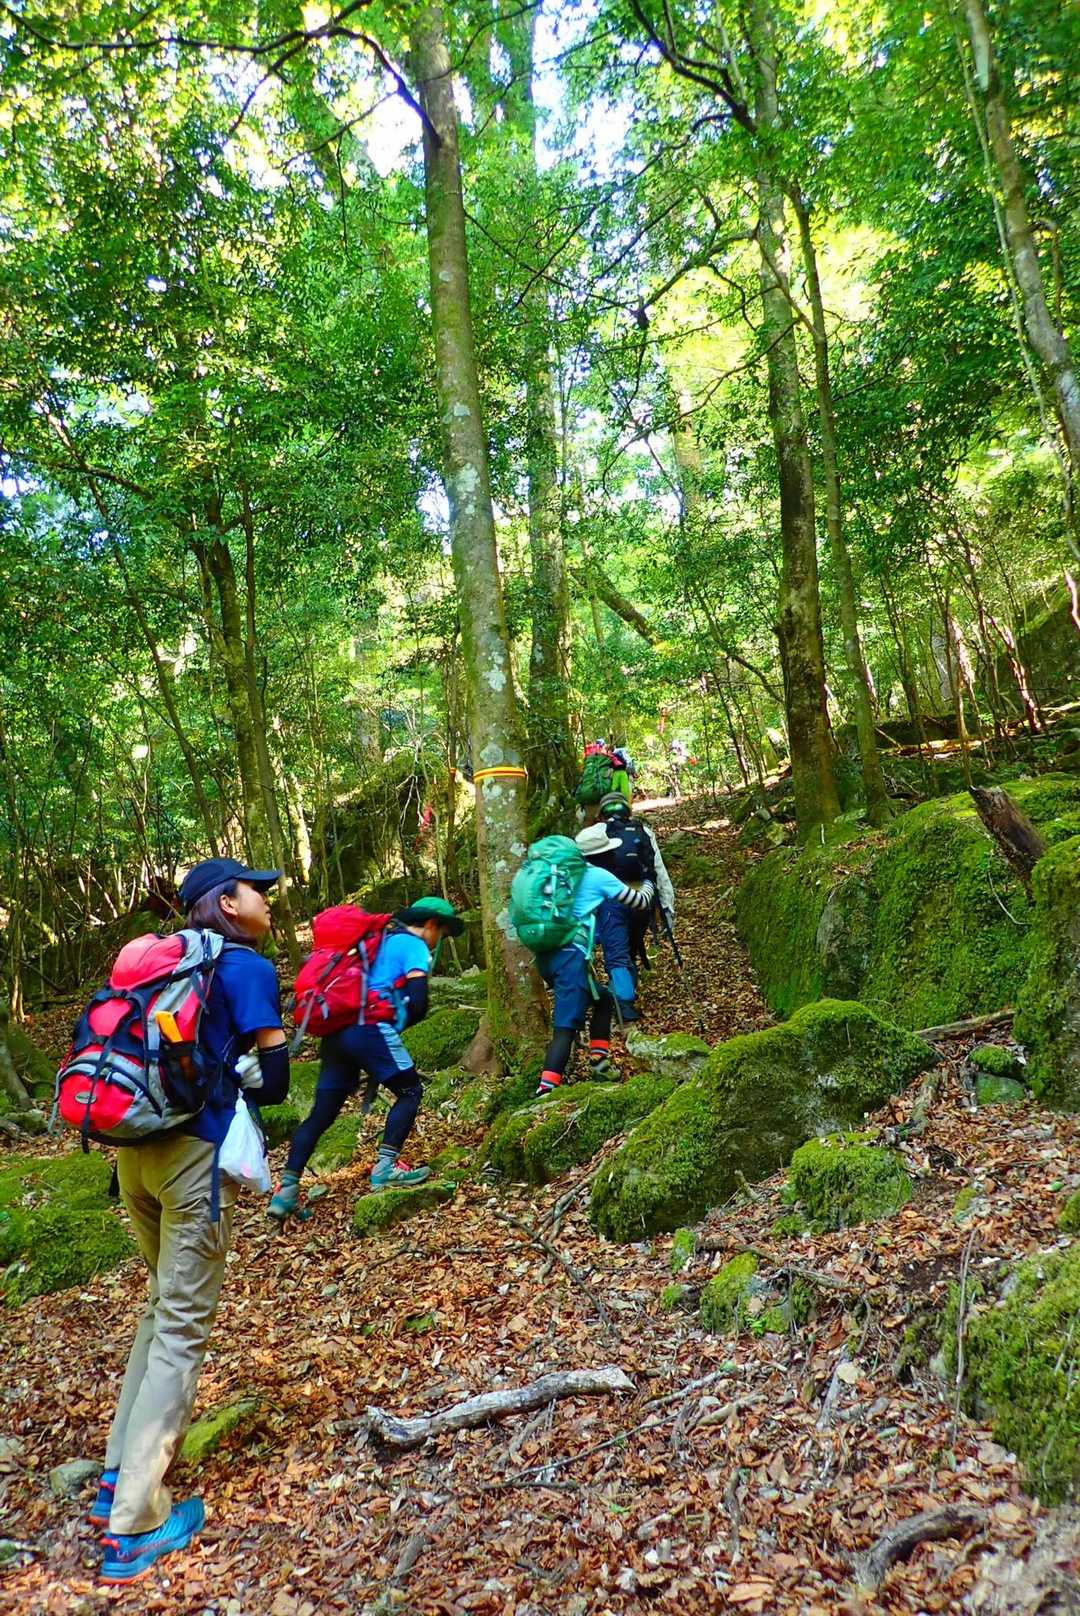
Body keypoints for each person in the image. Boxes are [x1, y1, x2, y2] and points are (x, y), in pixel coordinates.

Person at [94, 857, 289, 1585]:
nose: (267, 901)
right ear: (226, 904)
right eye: (256, 891)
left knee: (159, 1309)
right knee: (180, 1328)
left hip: (132, 1157)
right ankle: (135, 1526)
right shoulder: (245, 968)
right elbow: (277, 1083)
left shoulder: (160, 965)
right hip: (191, 1162)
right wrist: (251, 1069)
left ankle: (116, 1476)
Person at [268, 896, 465, 1220]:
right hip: (369, 1029)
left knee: (322, 1114)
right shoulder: (414, 946)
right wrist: (393, 1025)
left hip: (335, 1033)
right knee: (410, 1091)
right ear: (431, 924)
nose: (438, 940)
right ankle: (386, 1167)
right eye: (441, 933)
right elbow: (418, 1004)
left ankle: (286, 1190)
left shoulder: (371, 943)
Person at [533, 824, 654, 1096]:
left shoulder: (560, 874)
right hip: (570, 960)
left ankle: (600, 1064)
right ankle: (545, 1090)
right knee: (565, 1026)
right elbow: (639, 901)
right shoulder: (598, 875)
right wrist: (648, 881)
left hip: (546, 956)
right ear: (602, 856)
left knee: (604, 1000)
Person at [597, 791, 676, 986]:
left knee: (617, 954)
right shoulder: (643, 831)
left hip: (610, 903)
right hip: (641, 900)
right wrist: (667, 907)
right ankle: (628, 982)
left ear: (601, 813)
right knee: (630, 948)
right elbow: (659, 871)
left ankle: (624, 992)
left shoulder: (595, 834)